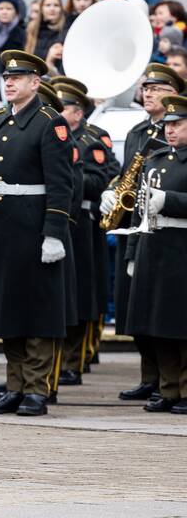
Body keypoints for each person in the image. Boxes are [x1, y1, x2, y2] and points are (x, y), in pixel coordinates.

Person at [0, 50, 73, 417]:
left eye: (18, 78)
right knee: (9, 310)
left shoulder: (49, 122)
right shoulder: (0, 122)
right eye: (7, 78)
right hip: (2, 225)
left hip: (33, 227)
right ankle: (15, 385)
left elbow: (62, 185)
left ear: (36, 82)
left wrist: (54, 233)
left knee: (37, 312)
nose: (9, 83)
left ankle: (36, 388)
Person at [99, 63, 184, 404]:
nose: (148, 92)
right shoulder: (139, 132)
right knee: (143, 311)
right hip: (141, 231)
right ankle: (156, 380)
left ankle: (172, 384)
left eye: (157, 88)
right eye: (145, 87)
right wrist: (113, 191)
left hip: (175, 239)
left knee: (171, 317)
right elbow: (127, 175)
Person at [53, 80, 119, 386]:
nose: (58, 111)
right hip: (59, 219)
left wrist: (70, 177)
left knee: (81, 294)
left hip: (81, 224)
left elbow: (99, 182)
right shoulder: (51, 135)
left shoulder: (92, 140)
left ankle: (74, 361)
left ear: (78, 113)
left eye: (64, 106)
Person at [124, 94, 187, 414]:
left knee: (181, 325)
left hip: (182, 248)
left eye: (178, 124)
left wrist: (170, 200)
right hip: (154, 245)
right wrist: (133, 253)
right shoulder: (156, 159)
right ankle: (168, 387)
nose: (170, 131)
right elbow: (138, 211)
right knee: (157, 325)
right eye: (168, 125)